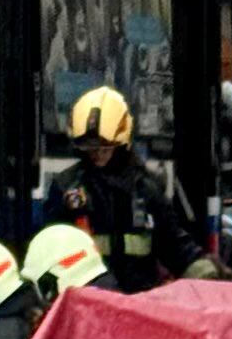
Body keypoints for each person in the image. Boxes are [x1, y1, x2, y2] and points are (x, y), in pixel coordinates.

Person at [37, 84, 199, 289]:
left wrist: (203, 268)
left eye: (105, 148)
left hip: (138, 306)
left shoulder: (145, 188)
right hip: (89, 304)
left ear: (122, 143)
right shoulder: (67, 188)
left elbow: (174, 245)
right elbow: (49, 251)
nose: (97, 154)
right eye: (89, 147)